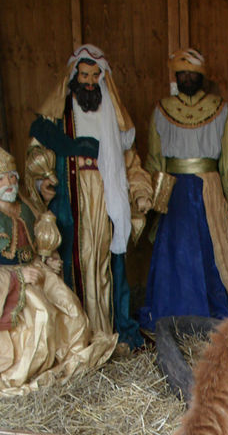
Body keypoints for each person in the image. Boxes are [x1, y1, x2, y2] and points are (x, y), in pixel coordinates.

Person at [0, 148, 117, 398]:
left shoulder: (23, 209)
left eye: (13, 177)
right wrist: (17, 278)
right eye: (3, 179)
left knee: (70, 306)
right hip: (8, 289)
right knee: (42, 313)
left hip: (35, 272)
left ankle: (63, 357)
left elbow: (32, 248)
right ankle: (34, 366)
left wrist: (46, 260)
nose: (10, 183)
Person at [26, 44, 152, 350]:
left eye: (95, 75)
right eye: (84, 74)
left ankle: (108, 327)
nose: (89, 82)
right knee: (72, 258)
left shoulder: (113, 115)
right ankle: (75, 331)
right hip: (71, 199)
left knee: (105, 260)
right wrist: (43, 183)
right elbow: (37, 154)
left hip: (107, 198)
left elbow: (130, 162)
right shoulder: (57, 116)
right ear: (73, 76)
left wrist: (140, 192)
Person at [139, 47, 228, 330]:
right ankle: (170, 313)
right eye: (183, 73)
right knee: (174, 252)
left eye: (193, 73)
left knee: (209, 248)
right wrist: (151, 194)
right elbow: (155, 157)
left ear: (201, 76)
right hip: (173, 191)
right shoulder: (162, 109)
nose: (188, 77)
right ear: (177, 76)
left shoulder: (219, 108)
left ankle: (209, 313)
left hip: (208, 189)